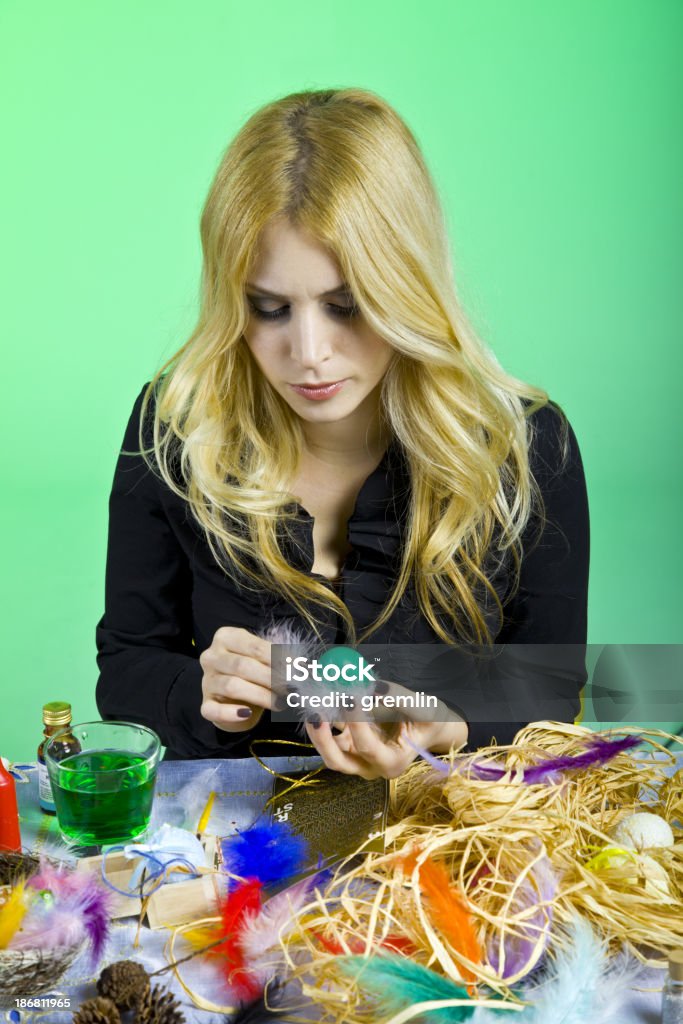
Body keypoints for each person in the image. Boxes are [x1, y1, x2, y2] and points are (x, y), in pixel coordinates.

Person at [96, 88, 589, 778]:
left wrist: (446, 726)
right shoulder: (174, 426)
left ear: (405, 287)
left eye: (346, 305)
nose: (308, 352)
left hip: (449, 832)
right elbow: (128, 663)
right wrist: (198, 695)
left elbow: (549, 686)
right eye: (268, 309)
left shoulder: (530, 447)